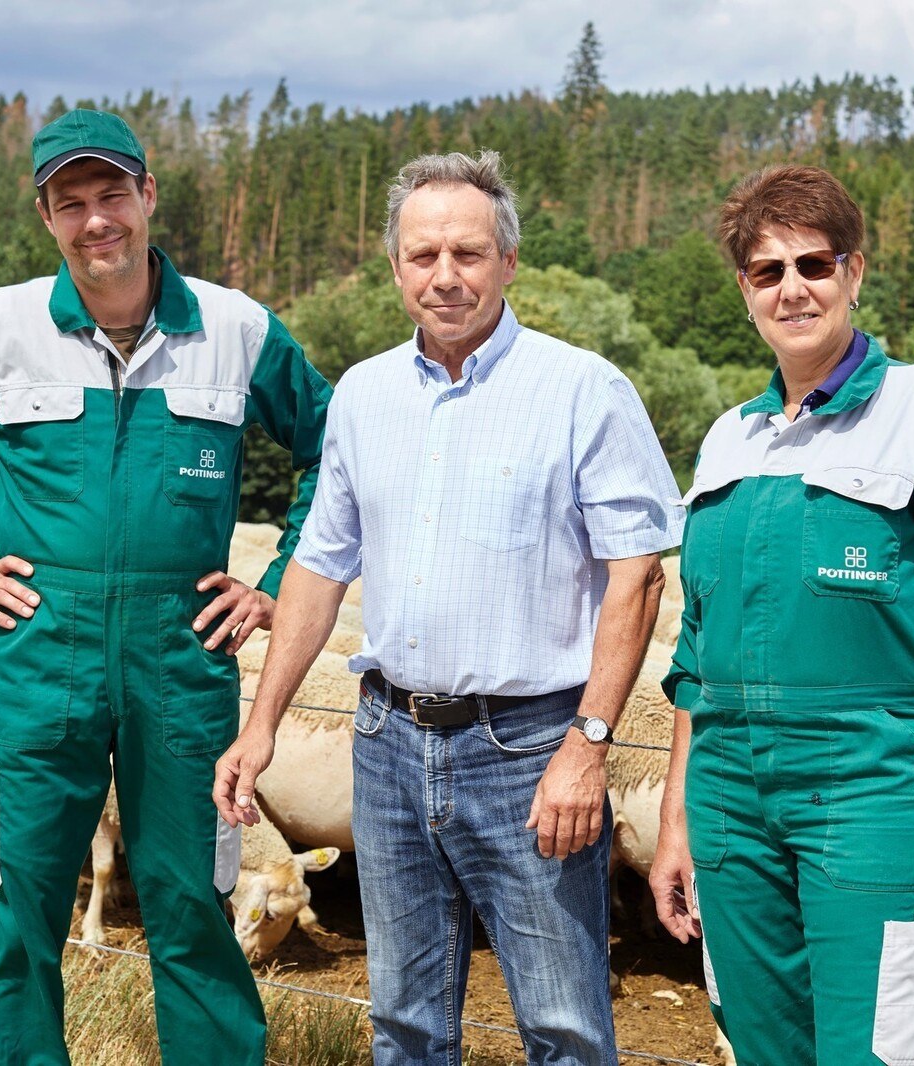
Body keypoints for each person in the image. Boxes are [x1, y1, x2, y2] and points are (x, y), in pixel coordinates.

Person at [0, 108, 332, 1066]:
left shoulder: (236, 328)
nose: (96, 220)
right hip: (39, 647)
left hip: (183, 652)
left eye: (112, 194)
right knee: (20, 909)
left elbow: (335, 451)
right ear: (46, 217)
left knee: (193, 906)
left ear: (148, 195)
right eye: (71, 204)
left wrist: (278, 580)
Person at [213, 150, 681, 1066]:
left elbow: (639, 576)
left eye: (468, 253)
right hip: (387, 741)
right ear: (396, 268)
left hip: (531, 749)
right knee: (405, 1021)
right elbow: (319, 566)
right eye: (423, 255)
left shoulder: (582, 389)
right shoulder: (364, 393)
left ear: (508, 262)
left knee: (564, 1025)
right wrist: (260, 724)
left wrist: (587, 747)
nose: (446, 276)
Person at [646, 164, 914, 1066]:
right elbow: (695, 651)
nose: (792, 289)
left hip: (876, 788)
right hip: (729, 803)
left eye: (814, 264)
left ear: (854, 272)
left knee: (876, 1051)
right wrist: (676, 821)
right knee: (760, 1047)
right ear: (745, 291)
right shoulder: (729, 440)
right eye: (767, 271)